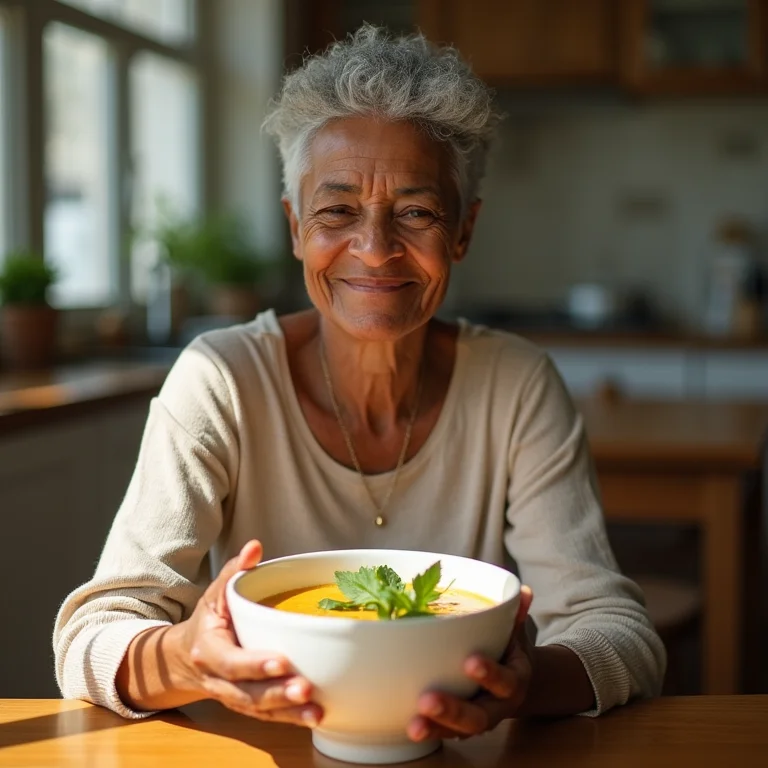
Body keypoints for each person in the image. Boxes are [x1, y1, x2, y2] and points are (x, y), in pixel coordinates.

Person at [54, 25, 665, 744]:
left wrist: (526, 686)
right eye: (337, 210)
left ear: (463, 231)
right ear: (294, 226)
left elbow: (622, 634)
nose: (374, 250)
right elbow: (90, 639)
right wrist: (186, 657)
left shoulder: (516, 385)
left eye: (416, 212)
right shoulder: (220, 380)